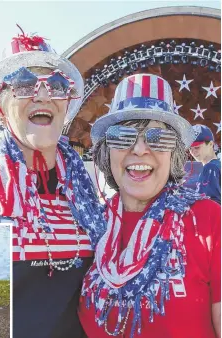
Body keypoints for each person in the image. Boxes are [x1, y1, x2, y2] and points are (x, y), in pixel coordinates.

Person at [0, 26, 106, 338]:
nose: (44, 94)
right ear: (0, 103)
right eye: (24, 83)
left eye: (58, 85)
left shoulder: (80, 182)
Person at [78, 74, 221, 338]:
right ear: (106, 152)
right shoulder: (90, 225)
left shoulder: (209, 221)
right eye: (123, 136)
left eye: (158, 137)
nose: (140, 149)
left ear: (174, 152)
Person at [189, 124, 221, 204]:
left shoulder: (211, 167)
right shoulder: (217, 165)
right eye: (190, 148)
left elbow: (211, 205)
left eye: (197, 147)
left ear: (210, 144)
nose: (192, 152)